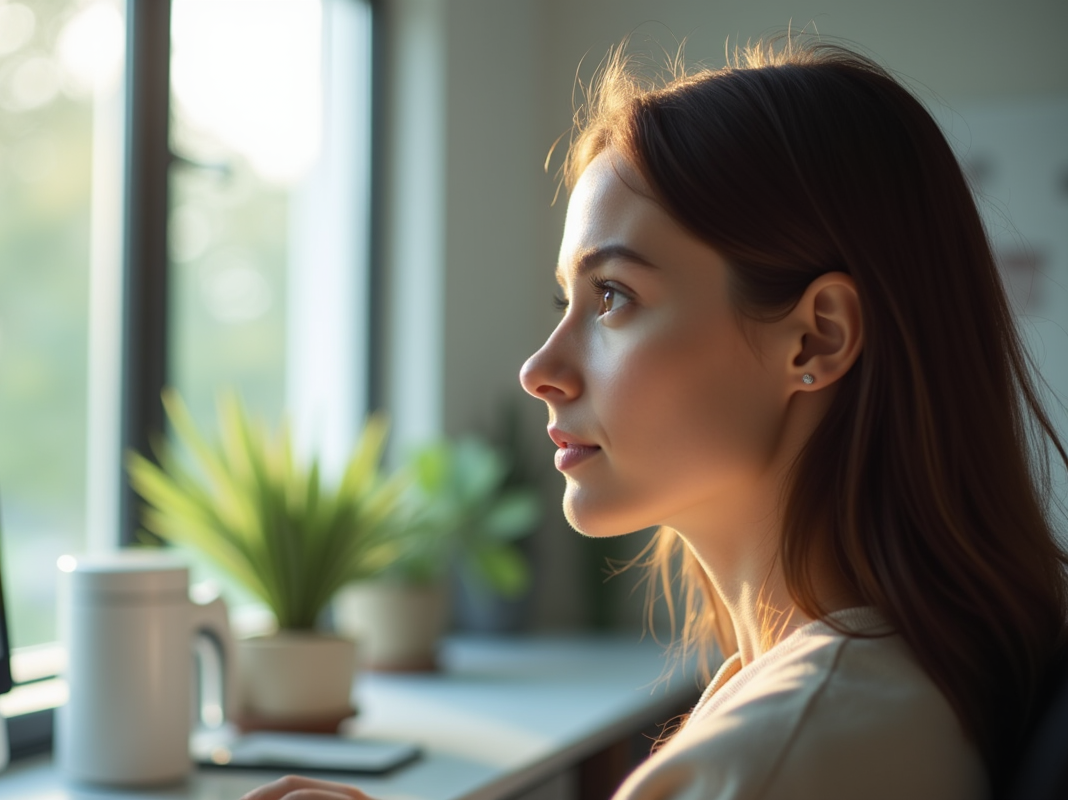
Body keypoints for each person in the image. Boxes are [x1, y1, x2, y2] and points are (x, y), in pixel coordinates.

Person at [240, 35, 1068, 800]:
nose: (539, 371)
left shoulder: (774, 754)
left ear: (817, 338)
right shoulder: (854, 686)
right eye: (568, 298)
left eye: (614, 298)